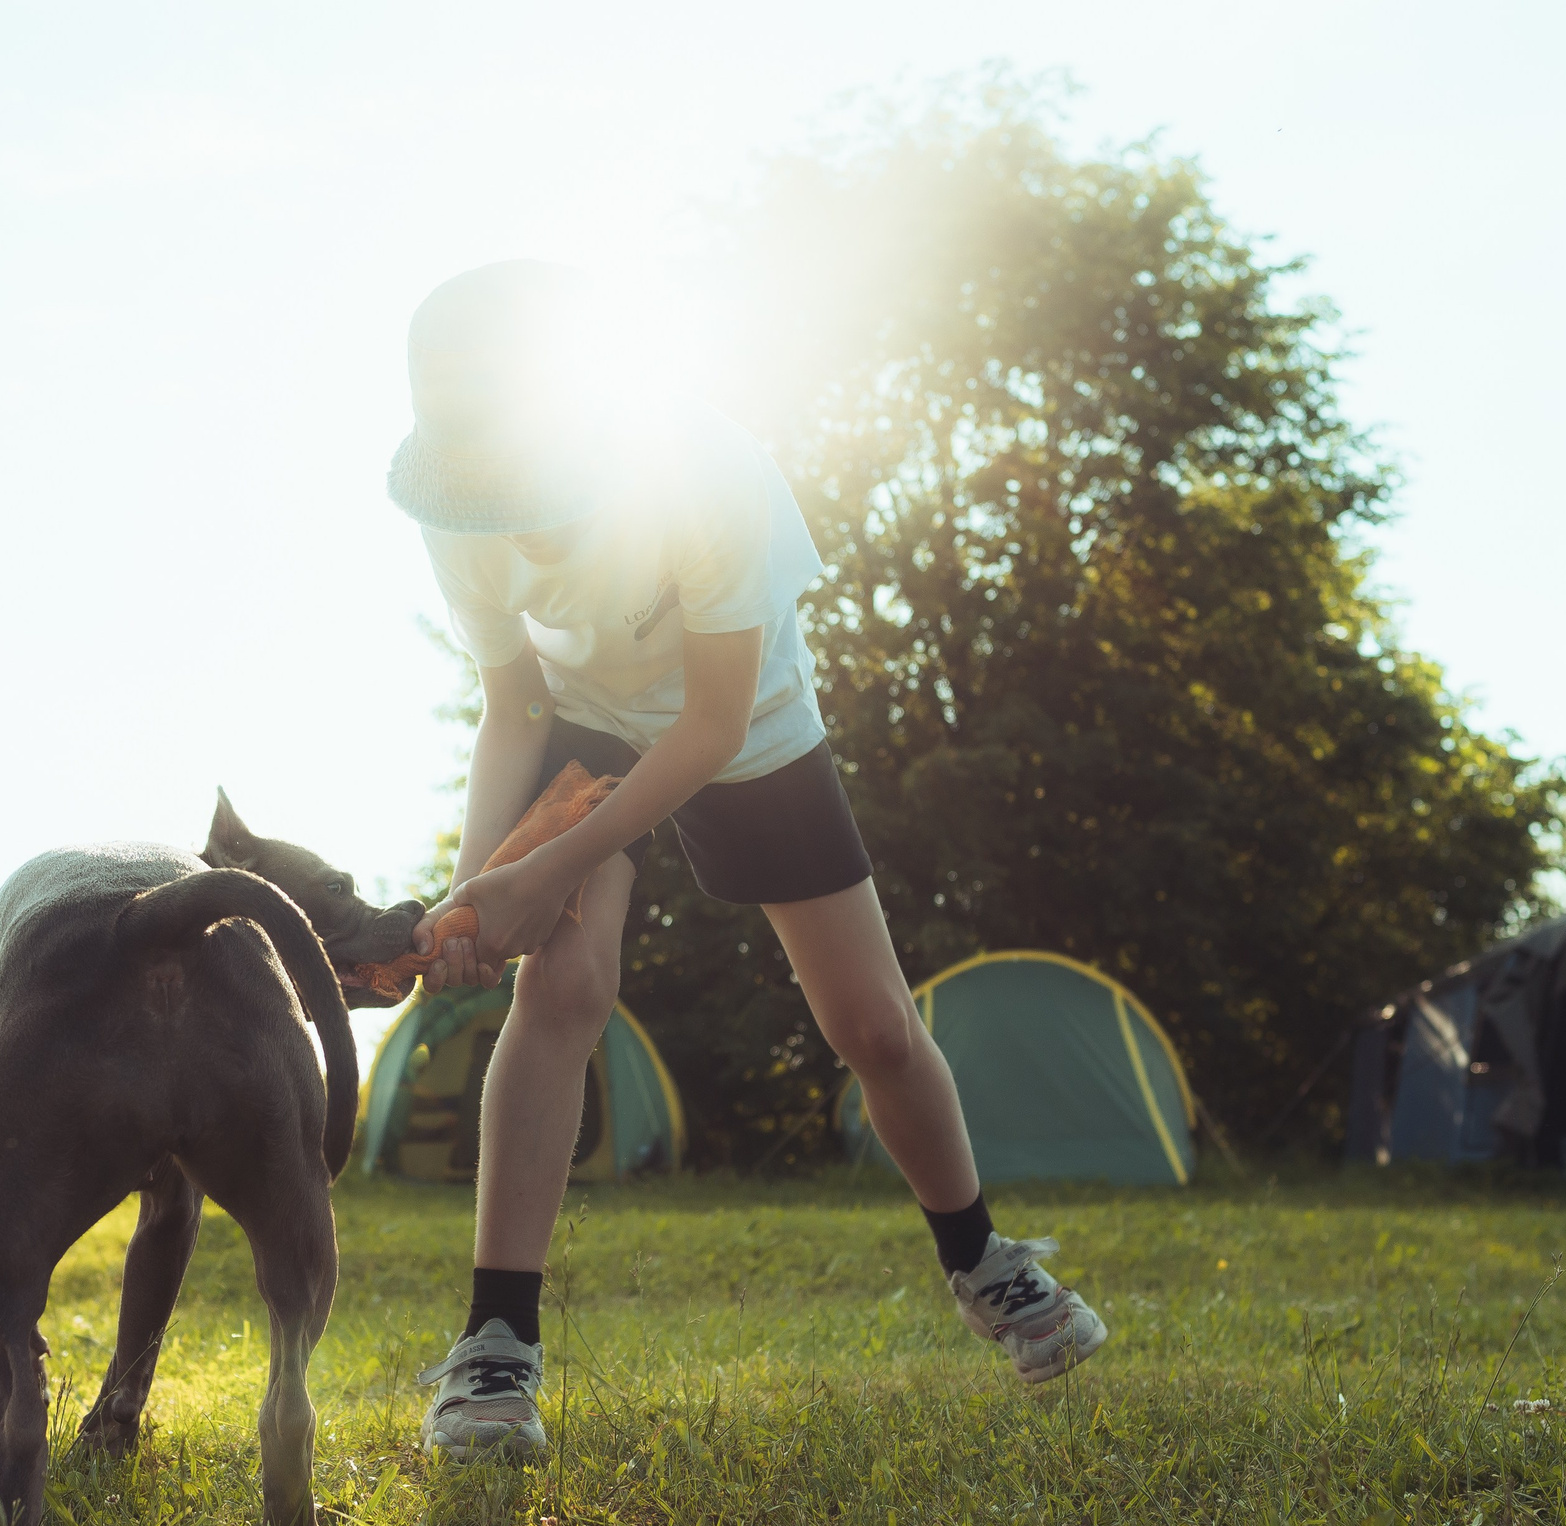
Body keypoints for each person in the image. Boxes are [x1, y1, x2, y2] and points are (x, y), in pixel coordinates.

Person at [387, 261, 1106, 1461]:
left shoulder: (705, 476)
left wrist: (541, 868)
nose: (515, 514)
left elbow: (709, 731)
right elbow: (511, 704)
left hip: (746, 724)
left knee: (871, 1029)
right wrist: (482, 890)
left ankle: (982, 1262)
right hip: (583, 717)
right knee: (559, 988)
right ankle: (495, 1354)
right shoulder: (457, 514)